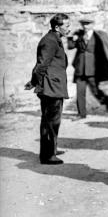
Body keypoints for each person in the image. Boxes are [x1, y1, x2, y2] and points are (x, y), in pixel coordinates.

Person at [31, 13, 70, 165]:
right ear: (56, 27)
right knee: (50, 121)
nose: (69, 29)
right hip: (50, 87)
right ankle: (47, 155)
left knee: (53, 120)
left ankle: (51, 149)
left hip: (53, 85)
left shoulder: (54, 38)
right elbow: (41, 65)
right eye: (66, 26)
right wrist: (35, 82)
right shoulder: (50, 41)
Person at [67, 18, 108, 119]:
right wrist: (72, 39)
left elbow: (107, 47)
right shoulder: (78, 34)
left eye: (87, 24)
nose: (85, 26)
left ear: (92, 25)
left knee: (95, 90)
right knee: (80, 91)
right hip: (80, 67)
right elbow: (70, 47)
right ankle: (81, 114)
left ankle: (105, 100)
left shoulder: (98, 35)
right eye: (83, 24)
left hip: (92, 68)